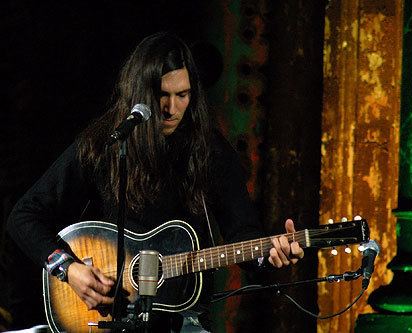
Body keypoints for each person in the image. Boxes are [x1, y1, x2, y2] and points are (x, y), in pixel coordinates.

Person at [6, 32, 303, 332]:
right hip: (108, 317)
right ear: (140, 93)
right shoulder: (106, 143)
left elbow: (243, 233)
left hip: (181, 321)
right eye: (163, 95)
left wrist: (271, 254)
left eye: (183, 95)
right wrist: (68, 269)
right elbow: (24, 215)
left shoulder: (210, 151)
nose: (172, 108)